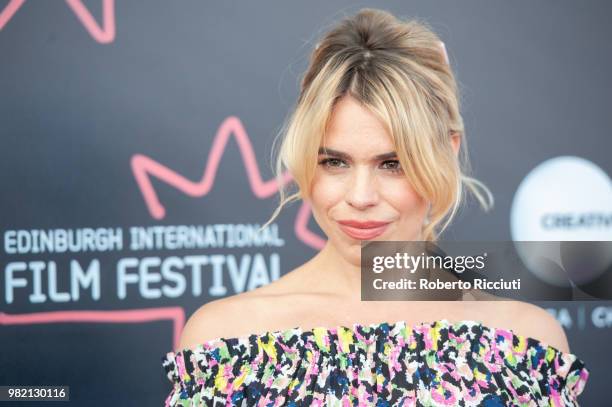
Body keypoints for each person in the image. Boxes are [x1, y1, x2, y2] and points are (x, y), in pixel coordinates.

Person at [162, 8, 589, 406]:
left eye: (392, 164)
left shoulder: (525, 343)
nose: (360, 196)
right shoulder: (223, 341)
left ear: (448, 152)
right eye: (334, 162)